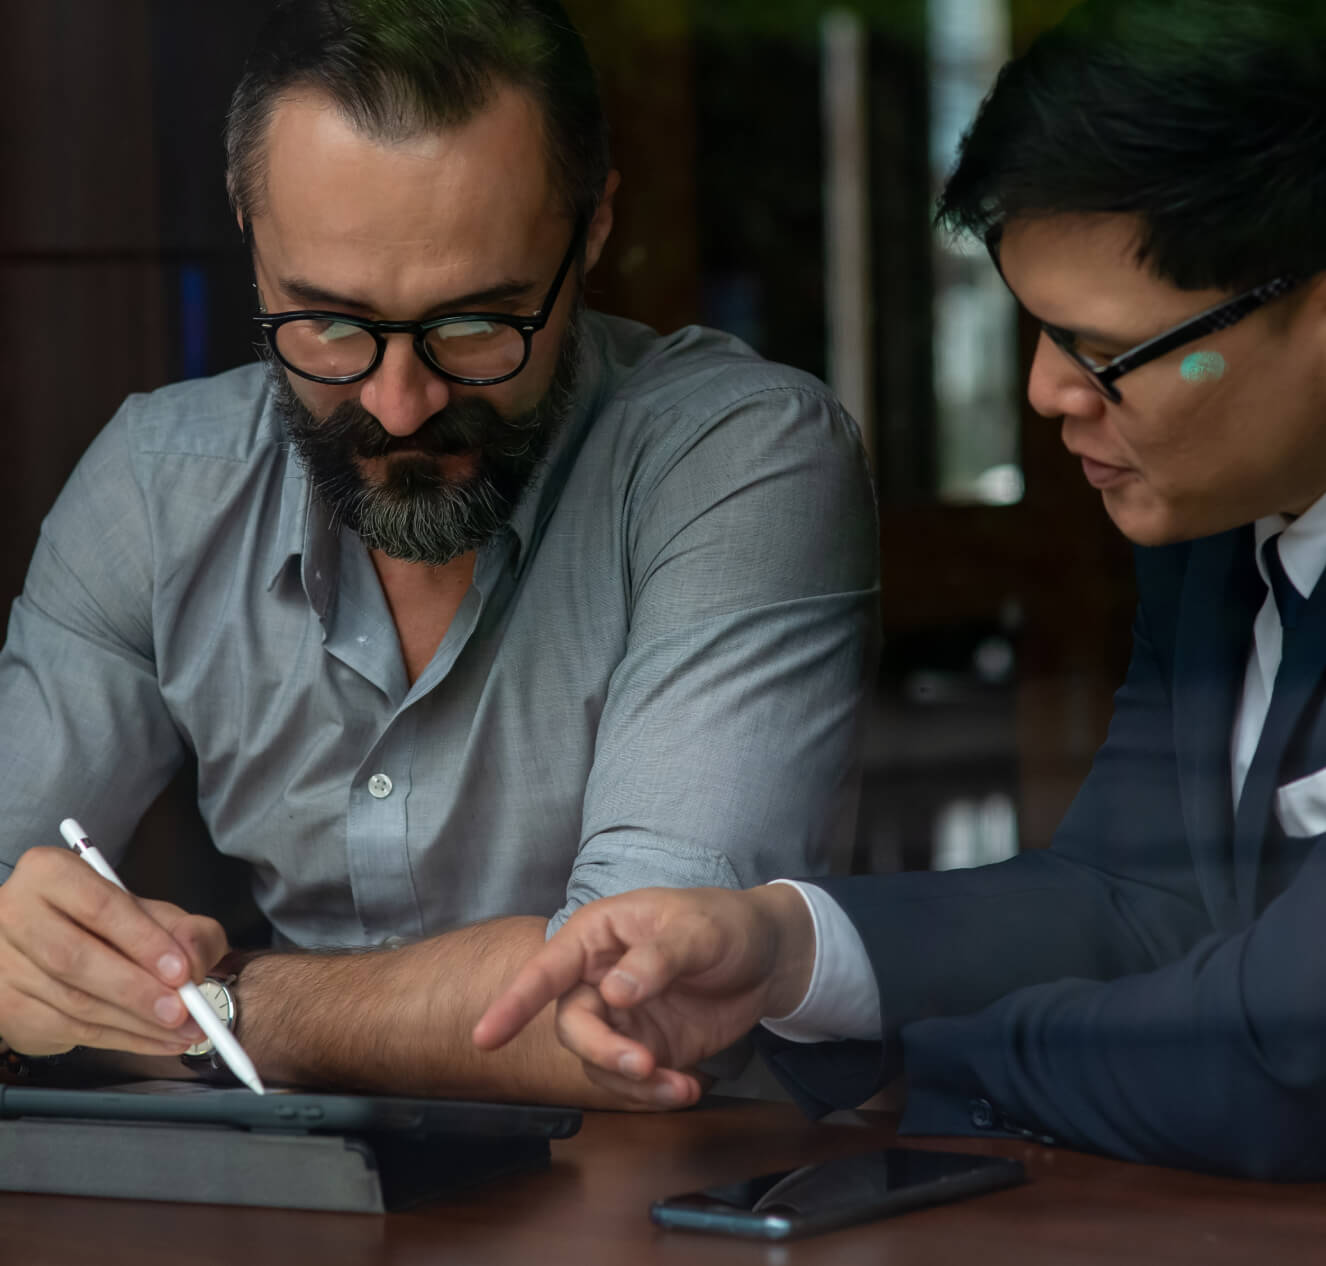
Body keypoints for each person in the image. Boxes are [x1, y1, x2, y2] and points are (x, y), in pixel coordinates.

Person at [475, 0, 1326, 1175]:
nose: (1043, 394)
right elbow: (1132, 899)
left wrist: (937, 1064)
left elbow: (1294, 1053)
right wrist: (786, 947)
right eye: (1034, 331)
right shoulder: (1212, 531)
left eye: (1098, 351)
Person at [0, 0, 878, 1106]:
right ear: (247, 229)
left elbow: (632, 1005)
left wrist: (201, 1011)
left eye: (476, 325)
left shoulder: (741, 458)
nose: (399, 405)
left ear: (593, 228)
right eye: (326, 323)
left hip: (672, 1210)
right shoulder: (155, 481)